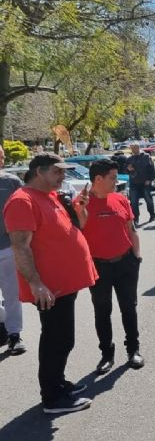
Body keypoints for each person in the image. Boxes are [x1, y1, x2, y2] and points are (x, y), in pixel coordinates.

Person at [4, 153, 98, 413]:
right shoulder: (22, 201)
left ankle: (58, 383)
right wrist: (36, 284)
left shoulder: (52, 196)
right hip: (49, 288)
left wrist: (79, 209)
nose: (63, 176)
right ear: (39, 172)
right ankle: (52, 397)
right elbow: (20, 247)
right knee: (57, 339)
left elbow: (76, 228)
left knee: (62, 338)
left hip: (63, 284)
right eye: (57, 172)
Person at [81, 159, 144, 374]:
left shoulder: (120, 199)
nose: (116, 182)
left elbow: (131, 228)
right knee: (102, 311)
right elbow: (77, 234)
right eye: (113, 178)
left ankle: (133, 350)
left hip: (126, 262)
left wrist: (137, 256)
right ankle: (106, 354)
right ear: (98, 179)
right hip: (99, 267)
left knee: (129, 308)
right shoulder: (82, 204)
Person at [0, 144, 26, 355]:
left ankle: (14, 335)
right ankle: (4, 322)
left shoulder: (11, 181)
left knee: (12, 294)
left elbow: (25, 208)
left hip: (8, 247)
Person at [126, 142, 155, 225]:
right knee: (134, 202)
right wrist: (129, 169)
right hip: (134, 183)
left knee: (148, 200)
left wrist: (149, 179)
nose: (132, 150)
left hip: (145, 182)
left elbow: (152, 169)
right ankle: (136, 219)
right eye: (131, 148)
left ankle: (152, 215)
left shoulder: (146, 156)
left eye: (134, 148)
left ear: (138, 148)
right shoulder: (129, 159)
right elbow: (125, 170)